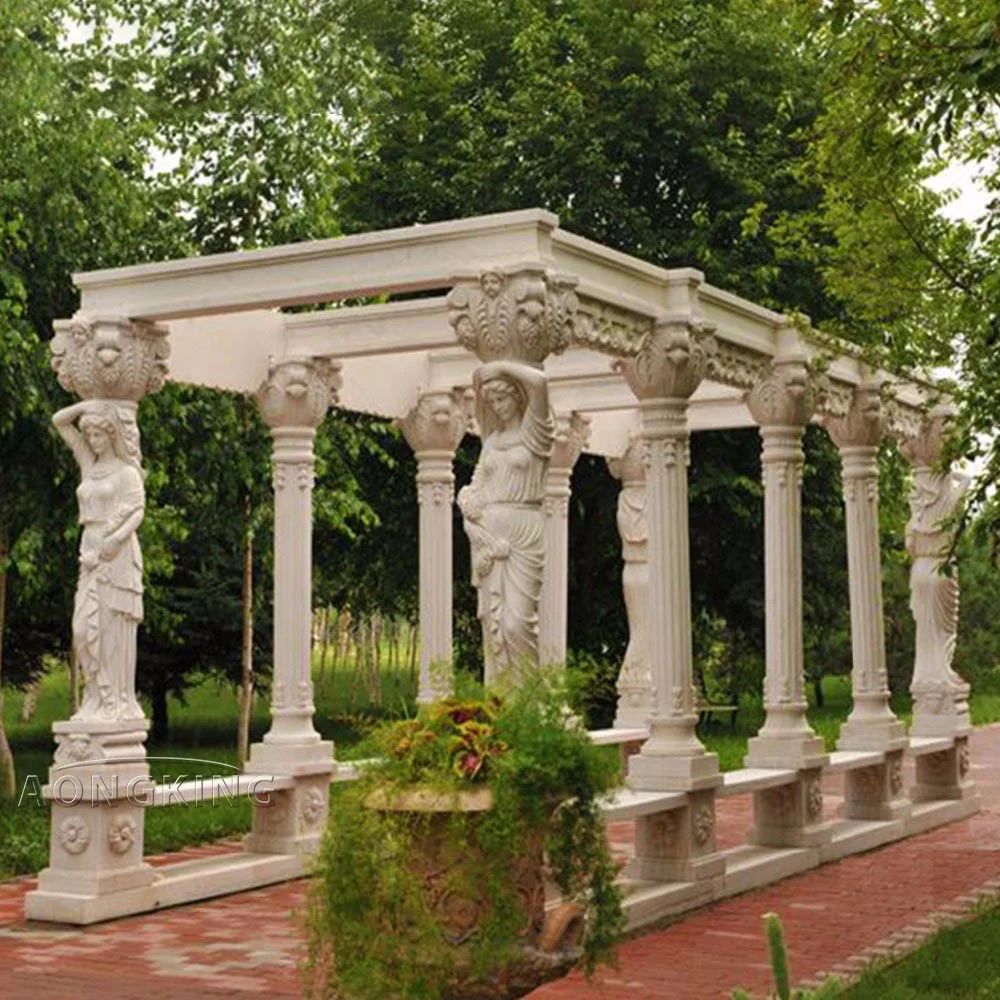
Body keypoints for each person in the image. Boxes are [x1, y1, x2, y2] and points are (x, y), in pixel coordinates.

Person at [458, 361, 554, 686]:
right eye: (492, 402)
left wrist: (496, 365)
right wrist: (467, 499)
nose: (497, 407)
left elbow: (539, 383)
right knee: (494, 621)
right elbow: (477, 484)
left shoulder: (535, 434)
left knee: (518, 622)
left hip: (524, 530)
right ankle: (504, 697)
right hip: (489, 532)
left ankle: (531, 698)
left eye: (502, 399)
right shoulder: (491, 442)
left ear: (517, 396)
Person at [53, 400, 145, 721]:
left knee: (111, 627)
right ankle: (94, 697)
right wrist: (91, 404)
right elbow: (60, 421)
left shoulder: (127, 472)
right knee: (83, 627)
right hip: (89, 547)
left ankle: (114, 700)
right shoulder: (88, 466)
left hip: (116, 553)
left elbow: (137, 511)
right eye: (89, 434)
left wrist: (113, 542)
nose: (92, 440)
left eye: (99, 434)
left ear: (112, 434)